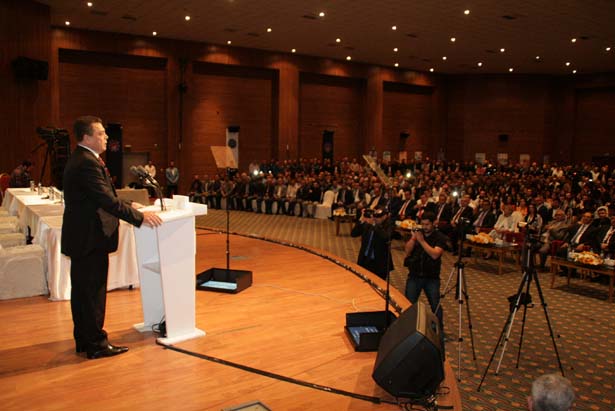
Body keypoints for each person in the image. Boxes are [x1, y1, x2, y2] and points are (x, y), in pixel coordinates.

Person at [61, 116, 162, 360]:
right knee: (92, 293)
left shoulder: (83, 158)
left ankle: (84, 339)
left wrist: (130, 204)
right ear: (87, 137)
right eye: (101, 133)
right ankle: (96, 344)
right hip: (90, 237)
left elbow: (103, 194)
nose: (106, 137)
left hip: (82, 237)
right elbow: (105, 200)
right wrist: (139, 217)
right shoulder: (87, 162)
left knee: (83, 292)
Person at [404, 211, 448, 326]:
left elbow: (435, 254)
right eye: (423, 224)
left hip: (431, 277)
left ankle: (439, 329)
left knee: (435, 305)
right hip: (414, 274)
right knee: (408, 303)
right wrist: (413, 239)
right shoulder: (418, 234)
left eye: (427, 224)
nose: (424, 227)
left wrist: (421, 241)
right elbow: (407, 251)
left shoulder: (440, 237)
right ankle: (407, 327)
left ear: (434, 223)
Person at [351, 206, 394, 280]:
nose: (375, 218)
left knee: (378, 283)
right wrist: (361, 220)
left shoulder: (389, 225)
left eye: (378, 217)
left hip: (379, 262)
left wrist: (374, 225)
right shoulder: (368, 223)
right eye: (375, 216)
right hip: (364, 259)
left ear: (384, 217)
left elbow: (386, 237)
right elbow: (353, 234)